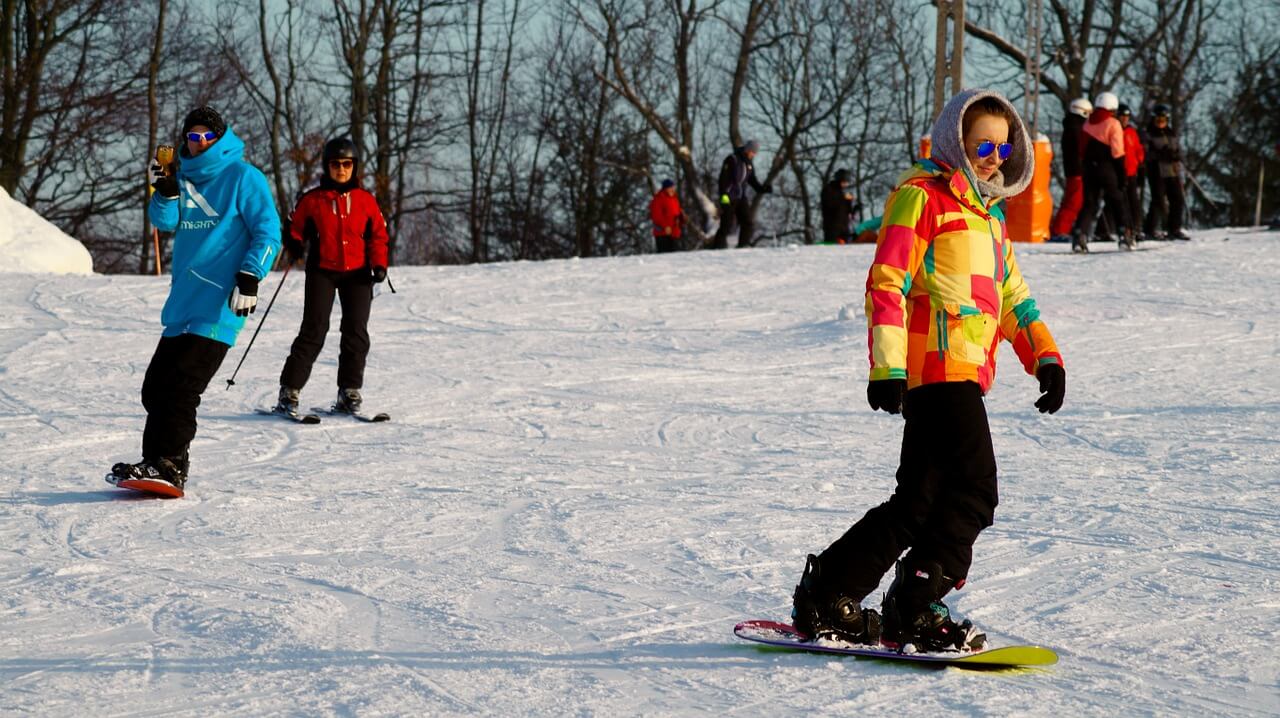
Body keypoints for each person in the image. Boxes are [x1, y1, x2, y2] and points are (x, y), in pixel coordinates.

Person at [790, 89, 1066, 652]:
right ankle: (914, 605)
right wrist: (887, 366)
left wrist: (1045, 356)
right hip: (936, 371)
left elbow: (1014, 299)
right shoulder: (921, 197)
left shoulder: (989, 218)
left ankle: (830, 593)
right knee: (974, 491)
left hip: (965, 373)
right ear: (955, 145)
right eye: (982, 144)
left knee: (917, 502)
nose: (994, 155)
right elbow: (887, 280)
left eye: (1003, 145)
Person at [108, 106, 282, 493]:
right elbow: (164, 222)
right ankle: (154, 464)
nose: (199, 143)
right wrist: (165, 191)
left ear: (220, 139)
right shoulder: (180, 175)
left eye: (207, 137)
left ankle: (170, 465)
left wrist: (251, 276)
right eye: (193, 137)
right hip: (183, 302)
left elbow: (269, 232)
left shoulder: (243, 177)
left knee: (182, 386)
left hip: (220, 302)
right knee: (155, 388)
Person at [276, 138, 390, 416]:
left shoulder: (366, 201)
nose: (341, 169)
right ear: (327, 167)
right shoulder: (313, 199)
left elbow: (379, 236)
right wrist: (294, 243)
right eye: (336, 164)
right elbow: (294, 225)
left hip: (358, 273)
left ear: (355, 167)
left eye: (347, 164)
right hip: (322, 270)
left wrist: (379, 264)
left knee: (356, 332)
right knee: (314, 330)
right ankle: (289, 391)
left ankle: (349, 391)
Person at [1071, 91, 1131, 252]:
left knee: (1089, 203)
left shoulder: (1088, 122)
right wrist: (1122, 175)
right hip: (1107, 167)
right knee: (1117, 200)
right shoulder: (1113, 123)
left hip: (1089, 167)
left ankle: (1079, 235)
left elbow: (1082, 149)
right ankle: (1124, 234)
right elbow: (1117, 152)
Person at [711, 140, 771, 249]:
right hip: (728, 196)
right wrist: (724, 196)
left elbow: (752, 180)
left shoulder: (749, 163)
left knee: (747, 222)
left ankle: (743, 246)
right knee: (726, 224)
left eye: (755, 153)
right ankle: (717, 248)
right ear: (748, 150)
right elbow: (723, 179)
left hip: (741, 197)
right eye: (753, 152)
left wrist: (762, 189)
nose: (754, 155)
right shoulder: (732, 159)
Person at [1142, 104, 1190, 240]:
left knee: (1177, 199)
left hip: (1172, 171)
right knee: (1158, 200)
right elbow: (1145, 153)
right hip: (1157, 171)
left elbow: (1179, 150)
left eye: (1163, 119)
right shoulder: (1148, 134)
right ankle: (1149, 229)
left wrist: (1178, 157)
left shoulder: (1171, 133)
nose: (1161, 122)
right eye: (1158, 119)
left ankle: (1174, 228)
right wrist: (1159, 154)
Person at [1049, 97, 1091, 242]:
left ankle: (1060, 229)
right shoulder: (1075, 128)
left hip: (1073, 170)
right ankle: (1059, 230)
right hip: (1076, 170)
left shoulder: (1072, 126)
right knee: (1074, 202)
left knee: (1072, 201)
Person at [1117, 104, 1146, 241]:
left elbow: (1138, 147)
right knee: (1121, 201)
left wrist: (1140, 159)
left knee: (1134, 201)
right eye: (1122, 116)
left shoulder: (1131, 132)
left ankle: (1136, 228)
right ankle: (1123, 229)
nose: (1124, 119)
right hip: (1119, 172)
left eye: (1127, 117)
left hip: (1131, 171)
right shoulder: (1115, 130)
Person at [820, 169, 863, 244]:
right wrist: (844, 199)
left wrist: (855, 208)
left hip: (844, 227)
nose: (846, 184)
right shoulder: (829, 189)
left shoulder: (843, 192)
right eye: (845, 182)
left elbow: (848, 212)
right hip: (832, 226)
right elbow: (830, 205)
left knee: (845, 249)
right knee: (831, 247)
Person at [649, 178, 684, 253]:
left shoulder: (674, 199)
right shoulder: (659, 199)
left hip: (674, 233)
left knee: (675, 256)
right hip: (662, 233)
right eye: (670, 187)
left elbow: (677, 213)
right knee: (665, 257)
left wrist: (681, 220)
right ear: (665, 188)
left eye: (673, 187)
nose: (672, 189)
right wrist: (665, 226)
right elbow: (656, 216)